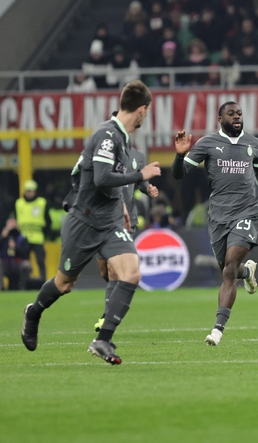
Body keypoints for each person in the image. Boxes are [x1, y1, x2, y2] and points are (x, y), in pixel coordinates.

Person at [21, 80, 161, 365]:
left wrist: (121, 203)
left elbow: (107, 180)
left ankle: (103, 339)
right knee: (64, 284)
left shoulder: (123, 137)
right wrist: (141, 175)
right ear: (142, 109)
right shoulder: (107, 135)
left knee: (131, 273)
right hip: (83, 222)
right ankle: (33, 312)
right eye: (148, 112)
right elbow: (101, 178)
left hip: (110, 222)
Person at [172, 101, 258, 346]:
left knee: (228, 270)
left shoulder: (252, 143)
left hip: (247, 211)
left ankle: (217, 330)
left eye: (239, 113)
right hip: (218, 216)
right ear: (220, 119)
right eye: (231, 114)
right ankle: (247, 272)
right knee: (230, 269)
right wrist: (179, 155)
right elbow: (178, 174)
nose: (237, 117)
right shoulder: (206, 143)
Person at [61, 128, 159, 333]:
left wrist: (148, 188)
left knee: (115, 270)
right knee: (106, 270)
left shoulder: (138, 156)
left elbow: (140, 181)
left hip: (126, 220)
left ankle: (107, 317)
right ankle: (117, 296)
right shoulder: (105, 154)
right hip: (102, 218)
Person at [14, 179, 51, 281]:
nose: (29, 193)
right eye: (27, 190)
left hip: (38, 237)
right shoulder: (19, 203)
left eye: (31, 190)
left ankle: (43, 281)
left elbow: (48, 221)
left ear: (35, 191)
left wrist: (45, 234)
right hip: (24, 237)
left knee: (40, 261)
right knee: (24, 262)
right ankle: (24, 282)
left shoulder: (41, 203)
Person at [1, 219, 32, 290]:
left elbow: (26, 255)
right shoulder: (4, 238)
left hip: (18, 264)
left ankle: (22, 288)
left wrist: (16, 247)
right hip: (6, 264)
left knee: (26, 265)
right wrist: (2, 237)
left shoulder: (22, 238)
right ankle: (2, 288)